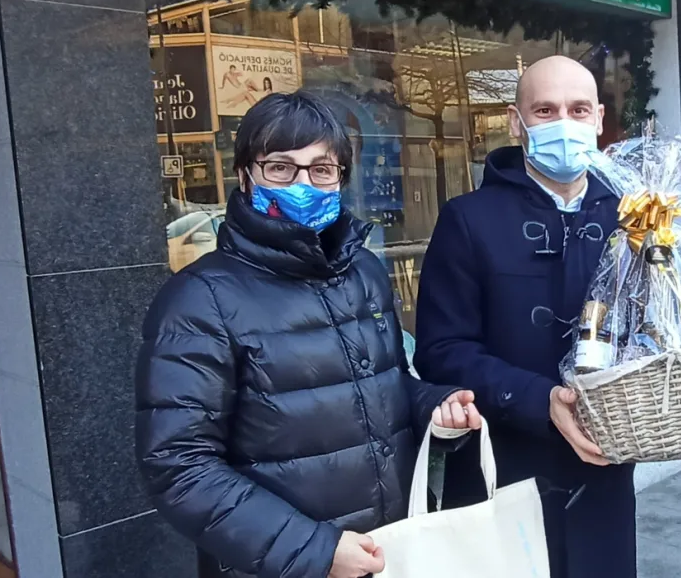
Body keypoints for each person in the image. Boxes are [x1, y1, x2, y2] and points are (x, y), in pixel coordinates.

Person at [135, 91, 482, 578]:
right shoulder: (199, 299)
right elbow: (179, 465)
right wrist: (315, 551)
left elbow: (383, 386)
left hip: (386, 553)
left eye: (321, 169)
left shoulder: (363, 272)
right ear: (244, 176)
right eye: (280, 167)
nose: (303, 183)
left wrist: (434, 406)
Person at [413, 55, 637, 578]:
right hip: (508, 471)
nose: (564, 123)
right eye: (545, 110)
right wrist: (539, 401)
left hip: (606, 470)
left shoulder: (633, 216)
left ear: (600, 119)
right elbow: (441, 352)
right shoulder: (468, 220)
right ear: (516, 122)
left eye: (578, 110)